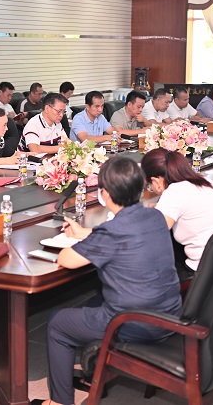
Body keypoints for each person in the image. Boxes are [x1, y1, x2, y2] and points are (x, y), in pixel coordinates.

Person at [32, 156, 181, 405]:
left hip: (134, 323)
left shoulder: (112, 231)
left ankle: (59, 402)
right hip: (170, 314)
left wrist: (78, 239)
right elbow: (124, 238)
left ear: (106, 194)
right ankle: (95, 373)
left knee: (58, 323)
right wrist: (87, 235)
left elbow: (67, 260)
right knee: (94, 302)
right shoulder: (155, 216)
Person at [141, 148, 213, 274]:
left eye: (149, 186)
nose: (152, 189)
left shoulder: (174, 192)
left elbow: (152, 233)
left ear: (156, 181)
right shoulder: (203, 181)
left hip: (208, 270)